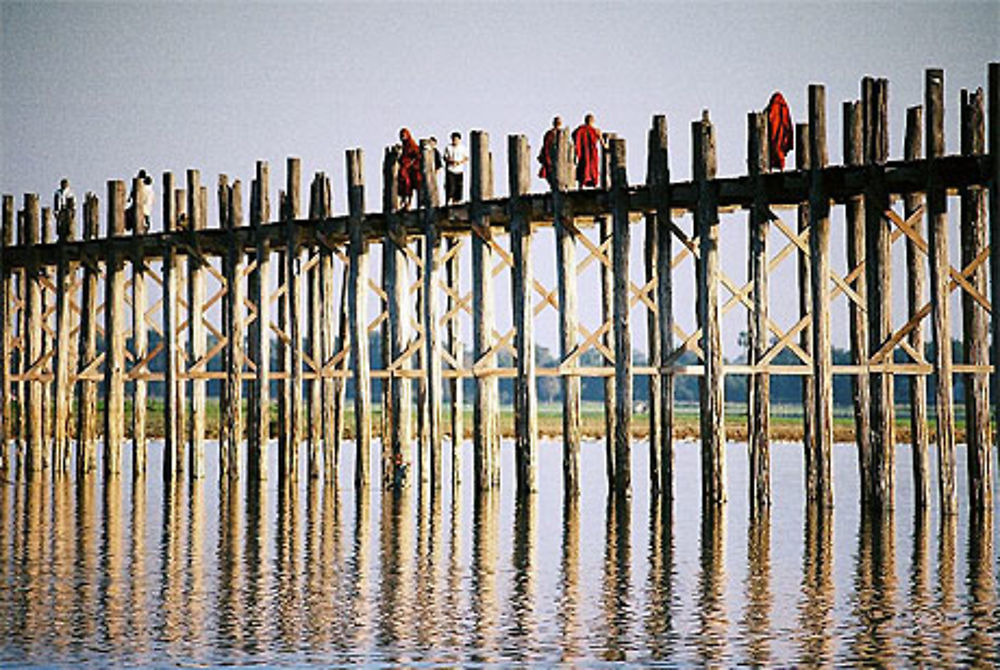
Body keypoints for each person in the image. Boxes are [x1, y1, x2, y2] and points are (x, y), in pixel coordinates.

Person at [572, 113, 602, 188]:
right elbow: (602, 142)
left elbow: (574, 135)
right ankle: (594, 184)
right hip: (591, 152)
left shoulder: (581, 129)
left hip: (584, 152)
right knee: (592, 168)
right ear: (593, 121)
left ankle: (581, 186)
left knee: (584, 167)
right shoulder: (595, 130)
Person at [765, 92, 793, 171]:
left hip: (773, 142)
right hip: (778, 143)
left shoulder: (777, 108)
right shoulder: (782, 108)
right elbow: (788, 127)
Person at [397, 128, 422, 209]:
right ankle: (403, 203)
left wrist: (411, 163)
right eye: (401, 136)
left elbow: (417, 155)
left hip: (412, 170)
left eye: (404, 135)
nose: (403, 137)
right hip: (404, 170)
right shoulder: (403, 146)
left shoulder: (412, 145)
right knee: (403, 185)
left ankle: (410, 203)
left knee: (411, 185)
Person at [443, 131, 468, 205]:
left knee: (459, 186)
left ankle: (457, 201)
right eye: (453, 139)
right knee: (450, 186)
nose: (455, 141)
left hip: (459, 170)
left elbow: (466, 157)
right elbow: (445, 157)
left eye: (456, 139)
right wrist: (451, 161)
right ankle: (449, 201)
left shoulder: (463, 148)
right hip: (450, 169)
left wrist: (459, 162)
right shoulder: (448, 147)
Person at [537, 116, 562, 182]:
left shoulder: (562, 133)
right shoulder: (550, 133)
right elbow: (546, 147)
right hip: (551, 158)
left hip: (560, 159)